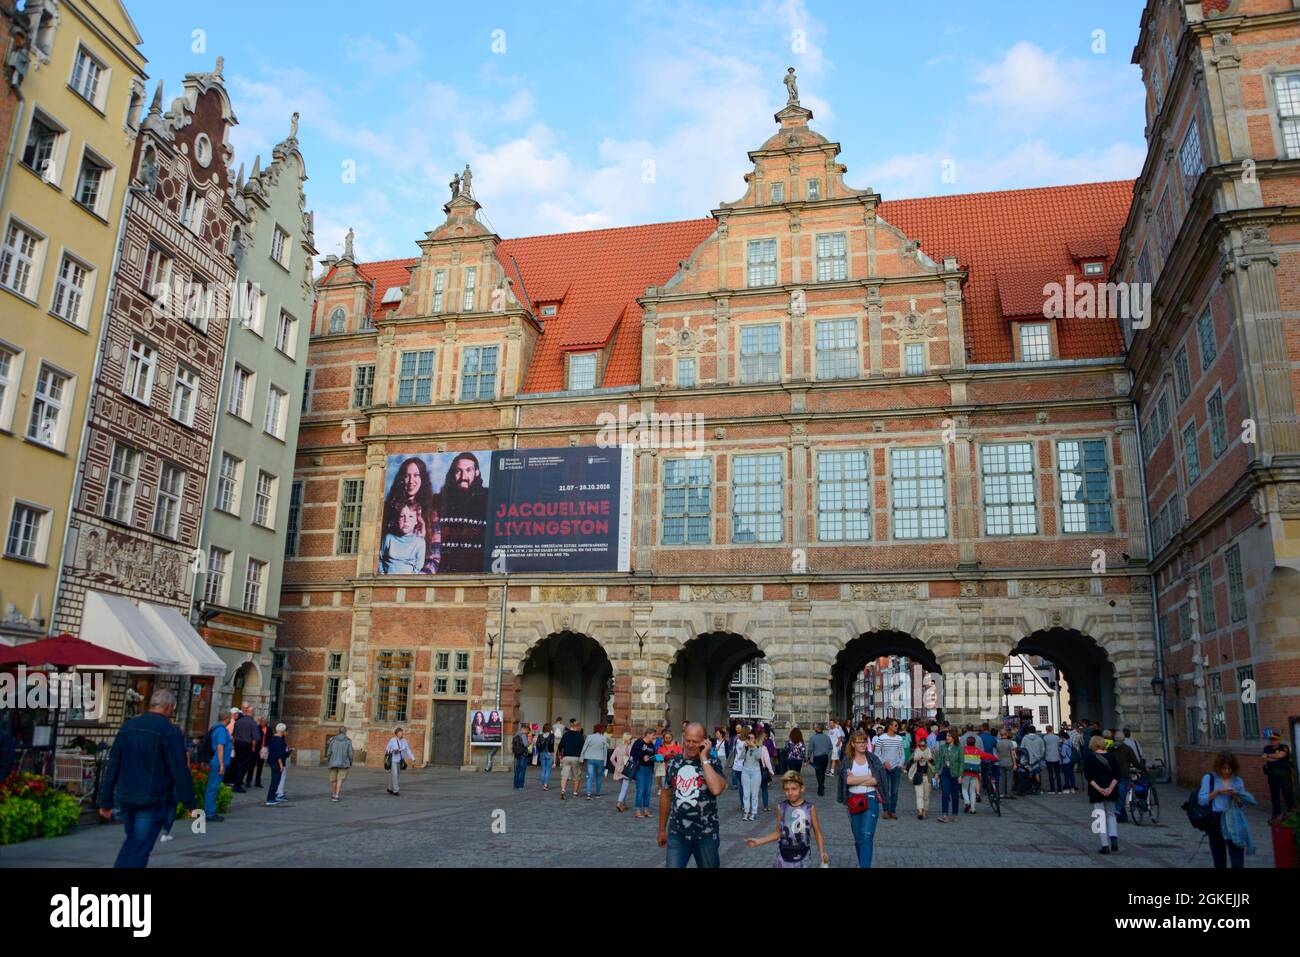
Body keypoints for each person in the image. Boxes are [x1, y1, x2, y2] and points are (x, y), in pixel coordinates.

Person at [96, 689, 196, 868]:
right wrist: (190, 803)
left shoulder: (128, 726)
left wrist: (106, 801)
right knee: (140, 848)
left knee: (132, 841)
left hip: (126, 795)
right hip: (152, 798)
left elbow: (113, 765)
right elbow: (179, 769)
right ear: (169, 708)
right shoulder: (168, 730)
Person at [658, 722, 727, 868]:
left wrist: (704, 757)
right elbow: (666, 796)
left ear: (704, 741)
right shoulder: (674, 763)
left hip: (706, 834)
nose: (690, 745)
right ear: (683, 738)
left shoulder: (712, 762)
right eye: (687, 740)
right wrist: (662, 829)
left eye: (695, 742)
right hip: (678, 833)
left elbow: (716, 789)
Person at [747, 770, 829, 867]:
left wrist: (822, 852)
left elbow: (817, 832)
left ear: (802, 788)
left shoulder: (810, 808)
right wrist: (759, 841)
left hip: (803, 858)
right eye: (787, 789)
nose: (790, 792)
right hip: (782, 858)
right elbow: (778, 832)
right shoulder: (781, 807)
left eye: (794, 789)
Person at [381, 456, 441, 574]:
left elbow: (434, 559)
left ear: (422, 478)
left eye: (416, 475)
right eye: (407, 475)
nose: (411, 480)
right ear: (401, 479)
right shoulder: (389, 508)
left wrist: (418, 579)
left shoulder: (431, 515)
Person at [1198, 752, 1256, 868]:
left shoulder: (1237, 781)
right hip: (1216, 819)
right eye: (1223, 768)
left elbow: (1242, 806)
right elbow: (1201, 800)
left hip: (1233, 818)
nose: (1226, 771)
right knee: (1219, 856)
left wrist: (1236, 797)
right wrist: (1217, 792)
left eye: (1229, 768)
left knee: (1237, 857)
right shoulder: (1209, 778)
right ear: (1218, 767)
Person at [838, 729, 885, 867]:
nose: (862, 745)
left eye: (864, 742)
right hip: (853, 799)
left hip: (871, 798)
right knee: (858, 837)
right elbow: (847, 781)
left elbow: (878, 780)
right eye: (859, 742)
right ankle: (862, 863)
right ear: (853, 744)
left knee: (866, 835)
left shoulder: (873, 759)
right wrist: (867, 778)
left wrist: (856, 779)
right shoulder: (847, 760)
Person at [438, 452, 488, 572]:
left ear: (477, 472)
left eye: (468, 470)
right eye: (458, 471)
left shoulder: (489, 498)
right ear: (453, 474)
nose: (463, 476)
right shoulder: (439, 501)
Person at [1083, 735, 1120, 854]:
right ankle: (1113, 837)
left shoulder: (1089, 758)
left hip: (1096, 791)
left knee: (1099, 817)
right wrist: (1110, 788)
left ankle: (1104, 845)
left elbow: (1088, 777)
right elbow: (1117, 775)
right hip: (1111, 790)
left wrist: (1099, 789)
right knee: (1111, 814)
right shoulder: (1111, 756)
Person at [380, 502, 429, 574]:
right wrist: (381, 573)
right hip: (388, 580)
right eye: (402, 516)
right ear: (397, 519)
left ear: (416, 520)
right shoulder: (389, 538)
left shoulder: (420, 542)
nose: (406, 520)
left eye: (411, 516)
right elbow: (379, 559)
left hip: (408, 581)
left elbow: (418, 567)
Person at [873, 719, 906, 819]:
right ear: (890, 726)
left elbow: (902, 753)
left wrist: (900, 764)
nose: (897, 727)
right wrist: (884, 762)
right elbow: (876, 753)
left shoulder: (899, 738)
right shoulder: (882, 738)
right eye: (895, 725)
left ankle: (893, 810)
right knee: (885, 789)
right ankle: (886, 810)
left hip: (896, 767)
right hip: (884, 768)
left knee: (895, 791)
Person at [1263, 729, 1296, 822]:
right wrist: (1274, 757)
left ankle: (1291, 813)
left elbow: (1281, 756)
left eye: (1274, 739)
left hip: (1284, 775)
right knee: (1274, 796)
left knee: (1288, 794)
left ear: (1278, 740)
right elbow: (1264, 757)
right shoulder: (1267, 747)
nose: (1272, 741)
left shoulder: (1284, 747)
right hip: (1272, 776)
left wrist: (1270, 756)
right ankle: (1275, 814)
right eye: (1271, 739)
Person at [737, 729, 771, 821]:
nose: (750, 739)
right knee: (746, 793)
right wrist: (744, 748)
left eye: (752, 738)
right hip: (745, 771)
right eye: (749, 738)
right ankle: (746, 811)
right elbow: (741, 757)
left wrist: (754, 747)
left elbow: (758, 757)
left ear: (755, 739)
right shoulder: (746, 747)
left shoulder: (759, 747)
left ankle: (754, 812)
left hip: (756, 772)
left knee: (754, 794)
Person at [225, 703, 259, 792]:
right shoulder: (253, 723)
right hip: (247, 745)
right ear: (252, 712)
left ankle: (235, 781)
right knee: (244, 765)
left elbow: (234, 736)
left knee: (238, 763)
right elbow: (255, 738)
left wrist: (234, 746)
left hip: (237, 744)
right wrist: (253, 748)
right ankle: (237, 783)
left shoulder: (239, 721)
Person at [961, 735, 997, 813]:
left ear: (966, 742)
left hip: (965, 773)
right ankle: (973, 809)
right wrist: (995, 758)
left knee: (964, 789)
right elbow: (987, 756)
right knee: (972, 791)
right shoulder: (977, 751)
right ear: (975, 743)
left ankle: (967, 802)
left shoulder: (963, 750)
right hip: (974, 773)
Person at [935, 730, 963, 822]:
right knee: (945, 794)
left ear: (954, 738)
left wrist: (960, 775)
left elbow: (961, 762)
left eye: (949, 736)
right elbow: (939, 760)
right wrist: (936, 772)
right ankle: (944, 815)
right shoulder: (943, 747)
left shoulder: (959, 747)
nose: (947, 738)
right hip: (945, 772)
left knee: (955, 795)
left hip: (955, 773)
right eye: (947, 736)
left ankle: (955, 814)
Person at [1109, 732, 1137, 823]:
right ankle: (1117, 813)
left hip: (1112, 775)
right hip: (1123, 774)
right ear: (1123, 739)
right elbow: (1135, 761)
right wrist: (1142, 767)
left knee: (1118, 795)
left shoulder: (1110, 749)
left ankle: (1122, 816)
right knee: (1122, 795)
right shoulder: (1127, 749)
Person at [906, 735, 935, 820]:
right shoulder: (915, 752)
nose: (921, 747)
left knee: (926, 796)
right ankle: (920, 812)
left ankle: (925, 811)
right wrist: (915, 759)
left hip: (927, 777)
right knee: (919, 795)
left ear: (926, 745)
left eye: (923, 745)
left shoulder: (930, 752)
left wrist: (928, 759)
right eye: (920, 745)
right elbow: (908, 762)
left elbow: (935, 763)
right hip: (918, 776)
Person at [630, 727, 657, 818]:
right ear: (648, 734)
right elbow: (632, 753)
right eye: (653, 735)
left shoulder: (652, 745)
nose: (654, 737)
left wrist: (657, 758)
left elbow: (653, 756)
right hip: (640, 768)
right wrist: (642, 757)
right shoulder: (639, 742)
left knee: (648, 790)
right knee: (640, 790)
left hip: (649, 769)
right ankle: (637, 810)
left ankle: (646, 809)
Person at [558, 718, 584, 800]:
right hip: (576, 757)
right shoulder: (580, 735)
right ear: (577, 727)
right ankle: (575, 793)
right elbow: (582, 748)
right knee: (576, 776)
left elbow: (560, 746)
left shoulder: (565, 734)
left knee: (564, 775)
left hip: (566, 757)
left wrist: (560, 755)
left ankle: (563, 790)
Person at [582, 723, 609, 799]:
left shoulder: (589, 737)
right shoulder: (604, 738)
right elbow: (605, 751)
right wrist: (605, 762)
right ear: (602, 730)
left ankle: (589, 794)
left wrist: (582, 757)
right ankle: (597, 794)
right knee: (599, 777)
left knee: (590, 776)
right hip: (600, 759)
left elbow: (585, 747)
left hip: (590, 759)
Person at [265, 723, 290, 806]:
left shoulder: (273, 738)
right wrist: (281, 765)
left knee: (274, 780)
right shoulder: (279, 740)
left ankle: (272, 797)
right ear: (283, 731)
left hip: (272, 761)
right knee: (275, 781)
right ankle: (270, 799)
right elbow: (278, 754)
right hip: (276, 762)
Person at [326, 726, 353, 802]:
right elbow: (350, 753)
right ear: (345, 732)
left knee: (333, 779)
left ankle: (333, 794)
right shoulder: (348, 741)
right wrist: (350, 762)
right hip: (344, 764)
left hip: (333, 763)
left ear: (339, 731)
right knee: (340, 779)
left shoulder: (333, 740)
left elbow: (329, 752)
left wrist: (329, 760)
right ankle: (337, 796)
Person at [385, 727, 415, 795]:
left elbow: (407, 749)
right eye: (400, 732)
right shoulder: (392, 740)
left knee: (396, 775)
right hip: (393, 760)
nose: (402, 734)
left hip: (400, 760)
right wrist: (393, 750)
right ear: (396, 734)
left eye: (402, 732)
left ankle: (389, 788)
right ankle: (396, 790)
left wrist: (412, 758)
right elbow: (387, 749)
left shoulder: (404, 741)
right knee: (395, 775)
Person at [655, 730, 681, 797]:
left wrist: (676, 754)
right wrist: (664, 754)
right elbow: (658, 759)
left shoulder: (677, 745)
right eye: (666, 738)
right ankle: (664, 797)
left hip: (675, 768)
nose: (668, 739)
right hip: (664, 769)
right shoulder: (661, 746)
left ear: (672, 737)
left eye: (669, 737)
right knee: (664, 786)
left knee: (675, 785)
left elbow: (681, 756)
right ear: (664, 738)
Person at [612, 732, 634, 811]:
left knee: (623, 788)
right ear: (627, 739)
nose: (631, 740)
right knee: (624, 788)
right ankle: (619, 803)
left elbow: (611, 758)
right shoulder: (630, 747)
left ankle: (624, 804)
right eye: (630, 739)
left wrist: (617, 766)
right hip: (626, 771)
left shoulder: (618, 747)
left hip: (618, 771)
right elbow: (632, 760)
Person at [809, 723, 832, 796]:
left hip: (817, 757)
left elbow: (810, 749)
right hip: (825, 757)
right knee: (822, 773)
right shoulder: (827, 737)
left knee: (818, 773)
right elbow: (831, 747)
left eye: (815, 727)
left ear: (817, 729)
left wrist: (808, 757)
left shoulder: (813, 738)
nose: (814, 728)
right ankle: (821, 786)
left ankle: (821, 787)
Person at [1021, 724, 1045, 791]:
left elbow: (1022, 748)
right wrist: (1040, 756)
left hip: (1027, 759)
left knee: (1029, 773)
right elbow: (1043, 749)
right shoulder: (1039, 739)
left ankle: (1029, 787)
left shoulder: (1025, 738)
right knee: (1037, 773)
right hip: (1037, 759)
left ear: (1028, 731)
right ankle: (1038, 787)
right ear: (1035, 731)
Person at [995, 729, 1016, 800]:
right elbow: (1013, 754)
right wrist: (1015, 764)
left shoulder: (998, 743)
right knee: (1009, 778)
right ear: (1006, 734)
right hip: (1009, 762)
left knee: (1002, 778)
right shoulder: (1010, 742)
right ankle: (1008, 793)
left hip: (1001, 762)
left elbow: (997, 754)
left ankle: (1001, 793)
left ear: (1000, 735)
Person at [510, 722, 532, 790]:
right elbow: (525, 745)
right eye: (528, 730)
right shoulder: (523, 735)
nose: (528, 732)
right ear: (524, 729)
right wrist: (530, 743)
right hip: (523, 755)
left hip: (517, 754)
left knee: (517, 770)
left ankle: (515, 784)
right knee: (522, 771)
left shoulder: (516, 735)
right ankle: (520, 786)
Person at [1042, 725, 1063, 794]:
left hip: (1048, 757)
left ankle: (1052, 789)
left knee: (1050, 774)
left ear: (1046, 730)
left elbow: (1043, 748)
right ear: (1052, 729)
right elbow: (1059, 746)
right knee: (1058, 774)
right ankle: (1060, 789)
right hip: (1056, 757)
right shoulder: (1057, 737)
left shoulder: (1045, 737)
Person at [536, 724, 555, 792]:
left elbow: (537, 744)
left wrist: (540, 751)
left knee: (543, 770)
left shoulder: (540, 735)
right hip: (549, 753)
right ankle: (545, 784)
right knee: (548, 770)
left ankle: (543, 783)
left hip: (542, 753)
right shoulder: (551, 735)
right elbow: (552, 743)